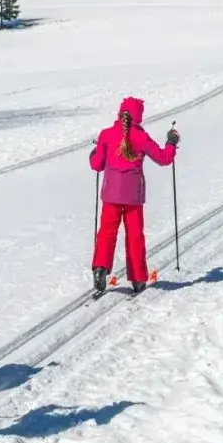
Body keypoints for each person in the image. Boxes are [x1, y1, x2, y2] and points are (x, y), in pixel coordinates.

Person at [88, 98, 178, 296]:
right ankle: (137, 279)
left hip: (110, 194)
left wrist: (93, 153)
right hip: (133, 197)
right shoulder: (141, 137)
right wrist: (171, 143)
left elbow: (97, 164)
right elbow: (164, 158)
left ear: (120, 113)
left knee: (107, 232)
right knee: (135, 235)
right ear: (138, 116)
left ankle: (100, 268)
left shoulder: (106, 135)